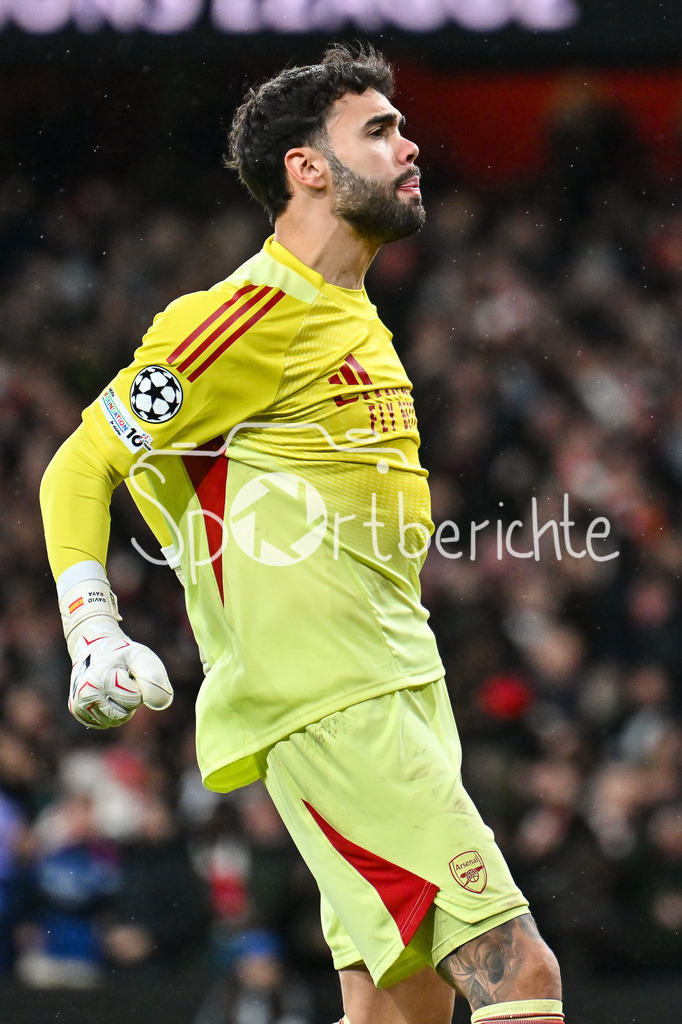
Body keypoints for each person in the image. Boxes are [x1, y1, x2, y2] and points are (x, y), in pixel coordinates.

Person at [40, 43, 563, 1024]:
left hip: (402, 684)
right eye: (380, 130)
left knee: (399, 1005)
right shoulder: (246, 314)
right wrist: (91, 623)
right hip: (331, 703)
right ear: (306, 167)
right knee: (518, 974)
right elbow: (80, 460)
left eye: (402, 126)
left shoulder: (355, 316)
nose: (410, 147)